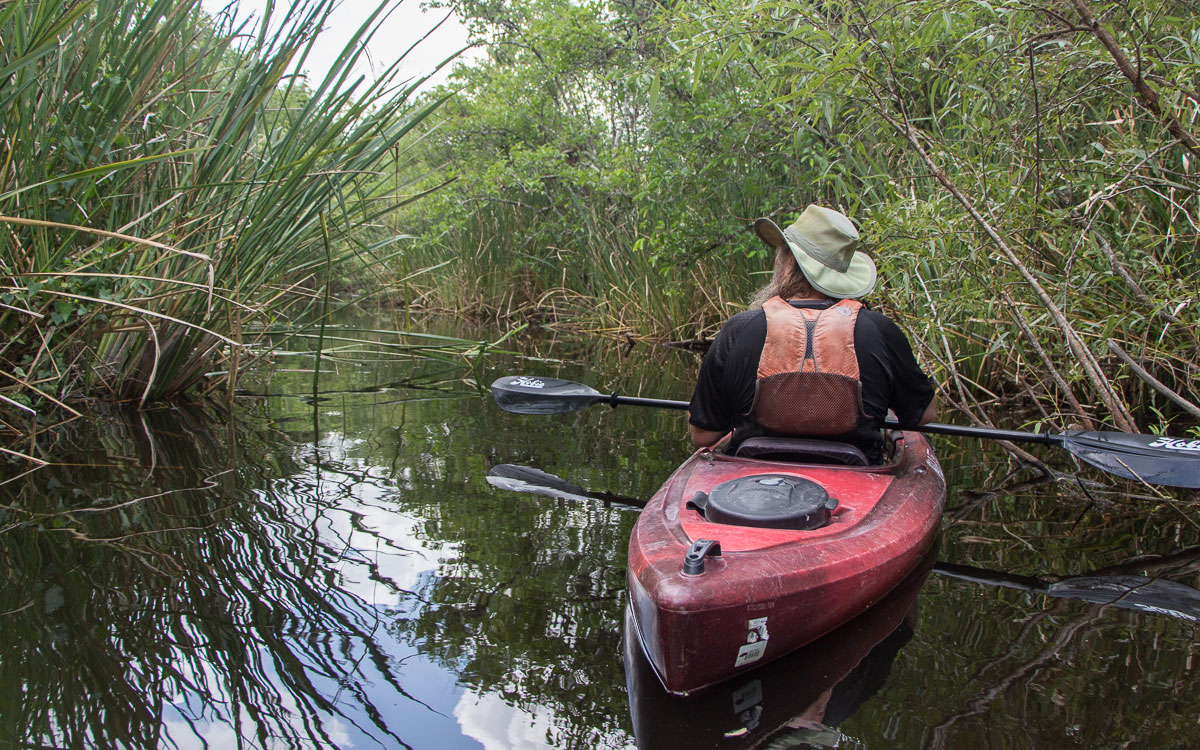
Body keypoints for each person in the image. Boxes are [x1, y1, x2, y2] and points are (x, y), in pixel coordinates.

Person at [687, 204, 936, 463]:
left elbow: (703, 435)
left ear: (789, 263)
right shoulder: (881, 330)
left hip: (752, 479)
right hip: (856, 475)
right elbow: (923, 415)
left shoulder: (738, 330)